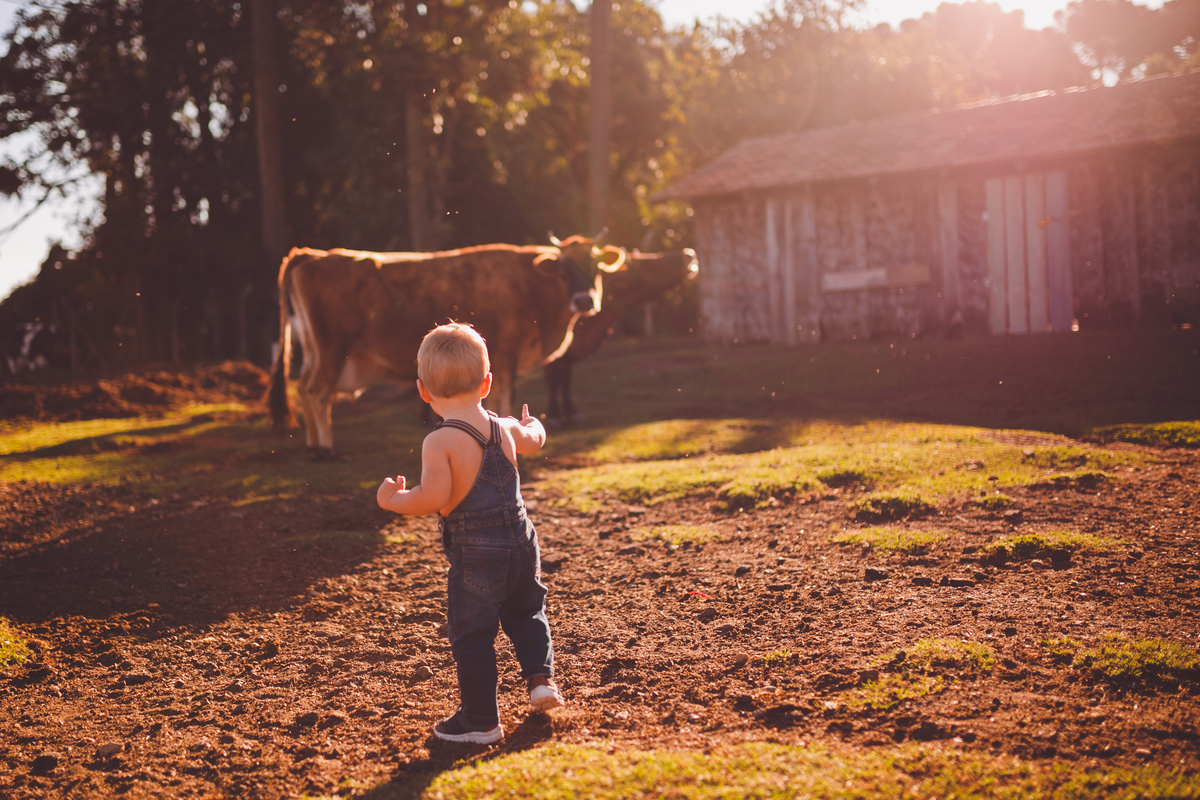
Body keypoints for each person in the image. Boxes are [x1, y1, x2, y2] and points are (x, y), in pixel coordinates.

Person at [377, 322, 564, 744]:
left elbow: (433, 497)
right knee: (528, 611)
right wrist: (532, 423)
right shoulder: (503, 427)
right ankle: (540, 680)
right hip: (521, 539)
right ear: (487, 382)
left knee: (473, 635)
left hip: (476, 554)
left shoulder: (439, 441)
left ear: (423, 391)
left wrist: (394, 501)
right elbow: (534, 437)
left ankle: (480, 720)